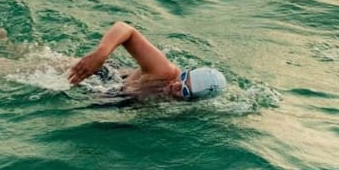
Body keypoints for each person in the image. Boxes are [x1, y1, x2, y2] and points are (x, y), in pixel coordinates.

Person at [68, 21, 227, 102]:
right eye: (184, 78)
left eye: (184, 91)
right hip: (104, 74)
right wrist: (100, 55)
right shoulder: (164, 72)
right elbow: (125, 29)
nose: (176, 85)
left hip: (112, 97)